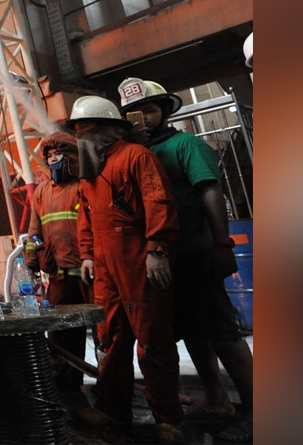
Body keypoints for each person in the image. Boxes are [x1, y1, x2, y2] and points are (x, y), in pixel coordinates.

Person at [118, 78, 254, 441]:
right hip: (165, 257)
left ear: (164, 110)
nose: (143, 118)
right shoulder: (134, 153)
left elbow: (209, 190)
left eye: (149, 109)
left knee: (222, 331)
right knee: (192, 329)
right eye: (135, 113)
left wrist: (221, 244)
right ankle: (216, 398)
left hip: (196, 250)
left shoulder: (185, 145)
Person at [69, 96, 185, 444]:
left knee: (152, 340)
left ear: (110, 129)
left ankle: (167, 418)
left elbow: (157, 200)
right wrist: (88, 255)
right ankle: (111, 409)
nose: (81, 137)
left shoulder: (136, 157)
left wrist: (157, 249)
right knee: (110, 340)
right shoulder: (91, 170)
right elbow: (86, 216)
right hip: (105, 266)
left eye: (86, 129)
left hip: (138, 259)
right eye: (77, 130)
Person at [25, 131, 93, 393]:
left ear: (74, 156)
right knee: (61, 336)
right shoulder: (42, 191)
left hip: (91, 273)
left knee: (105, 334)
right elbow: (35, 231)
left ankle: (110, 388)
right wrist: (32, 258)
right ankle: (66, 388)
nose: (54, 159)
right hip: (59, 276)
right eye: (49, 155)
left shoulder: (86, 185)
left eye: (59, 154)